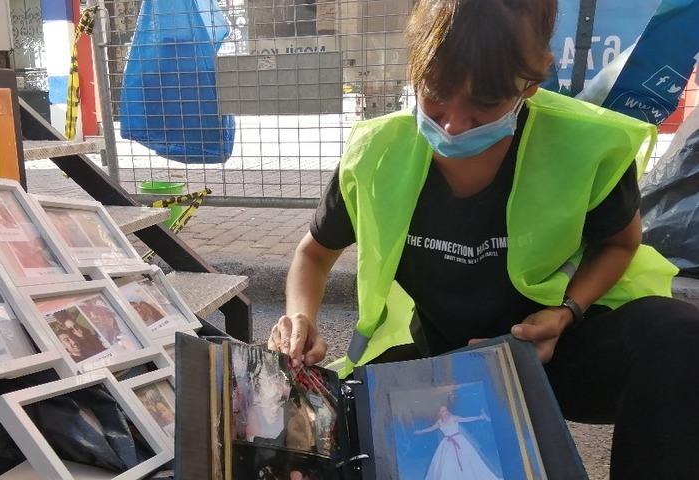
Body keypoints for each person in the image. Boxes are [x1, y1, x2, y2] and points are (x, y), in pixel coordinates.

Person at [267, 0, 699, 478]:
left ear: (530, 83)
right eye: (435, 94)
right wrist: (300, 317)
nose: (453, 124)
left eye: (486, 105)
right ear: (415, 69)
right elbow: (314, 253)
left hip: (553, 352)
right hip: (439, 360)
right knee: (329, 438)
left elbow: (620, 243)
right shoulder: (376, 153)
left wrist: (566, 312)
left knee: (680, 338)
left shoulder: (584, 145)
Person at [414, 406, 500, 480]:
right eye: (443, 411)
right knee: (447, 463)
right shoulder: (439, 422)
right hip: (446, 444)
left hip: (459, 441)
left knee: (467, 460)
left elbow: (466, 419)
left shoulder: (453, 418)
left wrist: (480, 417)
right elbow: (431, 428)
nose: (446, 412)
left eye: (446, 410)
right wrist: (421, 431)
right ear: (439, 413)